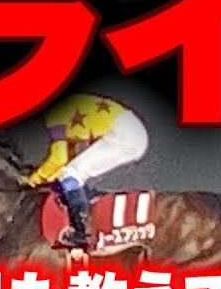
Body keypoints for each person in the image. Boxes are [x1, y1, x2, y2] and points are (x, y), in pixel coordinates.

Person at [26, 93, 149, 249]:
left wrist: (33, 180)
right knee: (75, 175)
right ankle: (90, 203)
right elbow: (69, 156)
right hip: (130, 131)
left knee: (70, 175)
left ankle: (81, 234)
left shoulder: (55, 114)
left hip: (124, 136)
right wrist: (49, 179)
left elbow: (59, 158)